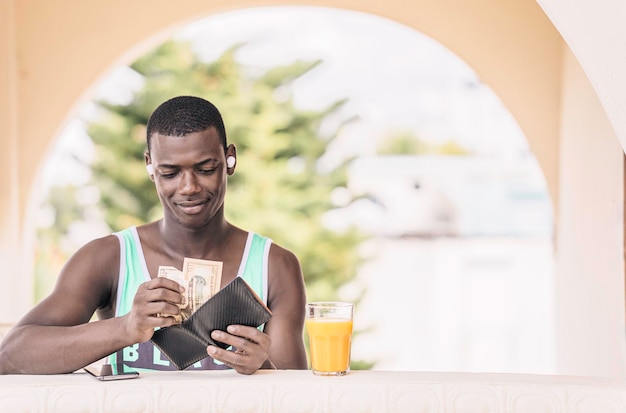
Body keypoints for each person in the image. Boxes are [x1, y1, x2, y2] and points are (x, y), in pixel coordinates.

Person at [0, 95, 308, 375]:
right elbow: (11, 355)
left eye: (204, 168)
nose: (188, 187)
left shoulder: (274, 265)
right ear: (150, 165)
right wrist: (127, 327)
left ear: (229, 159)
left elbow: (298, 397)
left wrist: (262, 366)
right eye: (170, 173)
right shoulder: (109, 257)